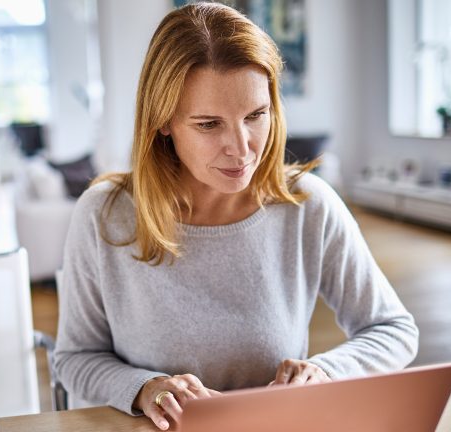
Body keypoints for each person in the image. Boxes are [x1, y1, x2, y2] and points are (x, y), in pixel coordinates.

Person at [54, 3, 418, 430]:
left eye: (255, 115)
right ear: (163, 121)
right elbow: (75, 359)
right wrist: (145, 388)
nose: (242, 148)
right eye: (209, 124)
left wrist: (327, 372)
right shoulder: (103, 215)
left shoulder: (308, 205)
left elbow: (393, 329)